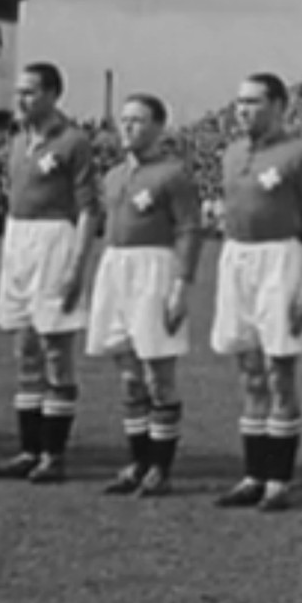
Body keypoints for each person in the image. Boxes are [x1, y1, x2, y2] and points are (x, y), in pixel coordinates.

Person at [211, 73, 302, 512]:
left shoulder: (300, 155)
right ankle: (253, 474)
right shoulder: (232, 154)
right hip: (238, 258)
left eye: (254, 102)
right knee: (249, 371)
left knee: (280, 370)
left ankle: (279, 478)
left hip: (282, 260)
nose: (244, 110)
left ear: (279, 105)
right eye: (240, 102)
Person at [0, 63, 101, 484]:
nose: (21, 99)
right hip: (18, 241)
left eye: (30, 92)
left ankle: (53, 454)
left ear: (53, 94)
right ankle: (28, 449)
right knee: (24, 348)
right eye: (18, 91)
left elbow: (89, 208)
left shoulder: (73, 142)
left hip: (55, 239)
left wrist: (77, 264)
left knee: (55, 348)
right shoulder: (17, 143)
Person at [87, 94, 202, 497]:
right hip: (116, 268)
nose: (128, 127)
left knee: (158, 374)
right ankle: (137, 462)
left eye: (137, 120)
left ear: (158, 126)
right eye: (124, 119)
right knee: (128, 375)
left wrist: (180, 287)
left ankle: (160, 468)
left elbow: (189, 230)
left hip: (155, 269)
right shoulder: (114, 176)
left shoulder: (173, 175)